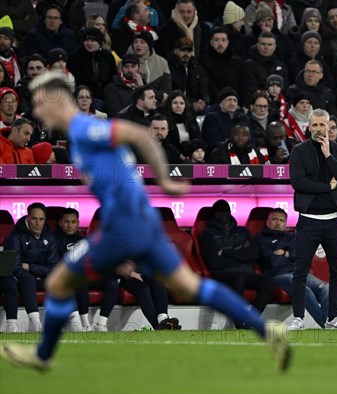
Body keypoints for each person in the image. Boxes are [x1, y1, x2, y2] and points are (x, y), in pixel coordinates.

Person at [0, 72, 290, 372]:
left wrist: (163, 178)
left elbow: (139, 135)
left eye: (38, 104)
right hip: (138, 223)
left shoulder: (85, 129)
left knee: (59, 282)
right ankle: (266, 330)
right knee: (190, 286)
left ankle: (43, 357)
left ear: (56, 99)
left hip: (126, 225)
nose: (35, 112)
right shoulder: (78, 137)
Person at [288, 108, 337, 330]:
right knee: (300, 271)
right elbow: (298, 182)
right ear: (308, 127)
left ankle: (333, 318)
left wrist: (328, 155)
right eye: (314, 125)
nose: (318, 129)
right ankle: (298, 318)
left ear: (329, 126)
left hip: (334, 220)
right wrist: (328, 187)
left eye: (322, 125)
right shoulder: (299, 151)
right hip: (308, 220)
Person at [199, 199, 273, 325]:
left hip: (245, 272)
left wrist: (225, 253)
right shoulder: (207, 234)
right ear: (214, 214)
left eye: (226, 211)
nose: (224, 214)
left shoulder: (242, 231)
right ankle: (239, 323)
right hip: (221, 274)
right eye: (220, 212)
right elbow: (214, 262)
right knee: (239, 278)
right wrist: (242, 255)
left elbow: (254, 254)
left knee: (267, 281)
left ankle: (251, 320)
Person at [255, 208, 329, 328]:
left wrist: (284, 253)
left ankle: (330, 320)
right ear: (267, 222)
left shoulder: (290, 237)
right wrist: (289, 252)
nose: (278, 223)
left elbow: (302, 257)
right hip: (278, 275)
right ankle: (326, 323)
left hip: (299, 272)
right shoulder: (260, 238)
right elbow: (272, 261)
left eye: (281, 220)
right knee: (304, 290)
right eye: (274, 219)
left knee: (326, 287)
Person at [54, 208, 118, 332]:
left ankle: (101, 324)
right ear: (60, 223)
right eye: (66, 222)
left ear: (78, 223)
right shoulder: (54, 240)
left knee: (112, 283)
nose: (70, 225)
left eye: (73, 222)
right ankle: (85, 324)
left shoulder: (84, 239)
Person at [4, 202, 59, 333]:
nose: (38, 223)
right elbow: (14, 267)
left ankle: (78, 324)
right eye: (34, 218)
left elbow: (54, 268)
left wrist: (29, 266)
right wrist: (35, 272)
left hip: (38, 277)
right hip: (16, 277)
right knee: (20, 284)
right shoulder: (15, 236)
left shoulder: (50, 237)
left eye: (41, 219)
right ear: (28, 218)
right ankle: (29, 325)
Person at [66, 28, 117, 101]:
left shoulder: (107, 57)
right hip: (81, 95)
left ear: (99, 42)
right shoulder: (75, 57)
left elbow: (112, 78)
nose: (89, 43)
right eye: (86, 40)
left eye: (93, 41)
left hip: (104, 95)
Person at [240, 32, 289, 107]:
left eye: (269, 45)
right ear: (258, 45)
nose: (266, 47)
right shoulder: (248, 65)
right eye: (263, 44)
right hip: (258, 107)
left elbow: (285, 88)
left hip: (279, 107)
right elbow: (249, 91)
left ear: (275, 47)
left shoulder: (281, 66)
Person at [167, 37, 210, 115]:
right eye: (183, 50)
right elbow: (170, 91)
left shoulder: (197, 68)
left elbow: (204, 89)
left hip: (196, 107)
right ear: (175, 51)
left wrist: (203, 101)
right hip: (175, 106)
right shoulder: (167, 67)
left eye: (189, 51)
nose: (186, 54)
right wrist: (191, 103)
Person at [202, 27, 244, 104]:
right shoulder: (203, 63)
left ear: (228, 42)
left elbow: (242, 86)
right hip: (213, 105)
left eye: (223, 40)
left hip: (236, 105)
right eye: (216, 40)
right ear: (211, 42)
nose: (220, 43)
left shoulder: (238, 62)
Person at [202, 87, 250, 151]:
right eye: (229, 100)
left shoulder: (243, 118)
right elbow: (214, 142)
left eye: (235, 100)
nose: (232, 103)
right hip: (220, 154)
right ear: (221, 103)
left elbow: (250, 140)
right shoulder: (212, 118)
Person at [127, 31, 171, 98]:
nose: (138, 45)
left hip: (157, 104)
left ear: (149, 45)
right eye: (135, 42)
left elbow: (166, 92)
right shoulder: (125, 63)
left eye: (142, 42)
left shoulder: (162, 62)